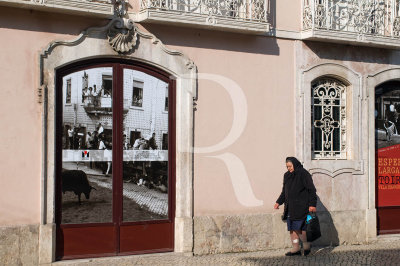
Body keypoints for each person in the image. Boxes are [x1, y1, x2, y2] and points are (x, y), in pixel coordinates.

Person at [274, 157, 317, 256]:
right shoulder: (286, 175)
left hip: (302, 206)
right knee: (292, 228)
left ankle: (306, 247)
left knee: (301, 228)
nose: (288, 168)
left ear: (295, 164)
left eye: (290, 166)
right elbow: (284, 191)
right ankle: (296, 248)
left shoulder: (303, 174)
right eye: (287, 167)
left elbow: (312, 190)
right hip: (290, 207)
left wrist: (312, 204)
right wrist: (278, 202)